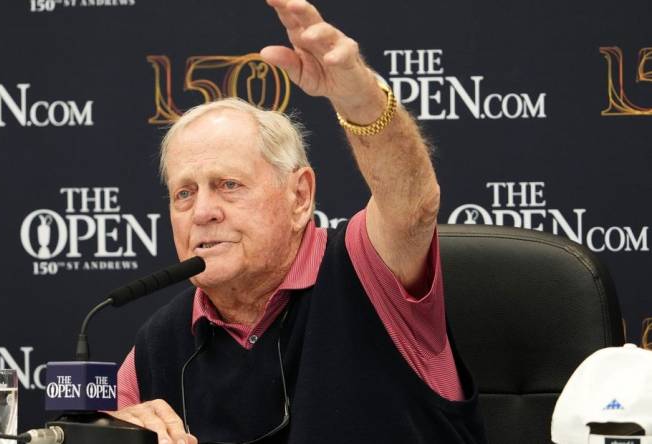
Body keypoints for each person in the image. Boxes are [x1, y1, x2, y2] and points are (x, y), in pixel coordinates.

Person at [108, 0, 487, 442]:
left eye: (229, 184)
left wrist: (358, 97)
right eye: (184, 193)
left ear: (300, 196)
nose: (204, 211)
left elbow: (413, 203)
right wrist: (115, 436)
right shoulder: (157, 348)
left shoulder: (365, 269)